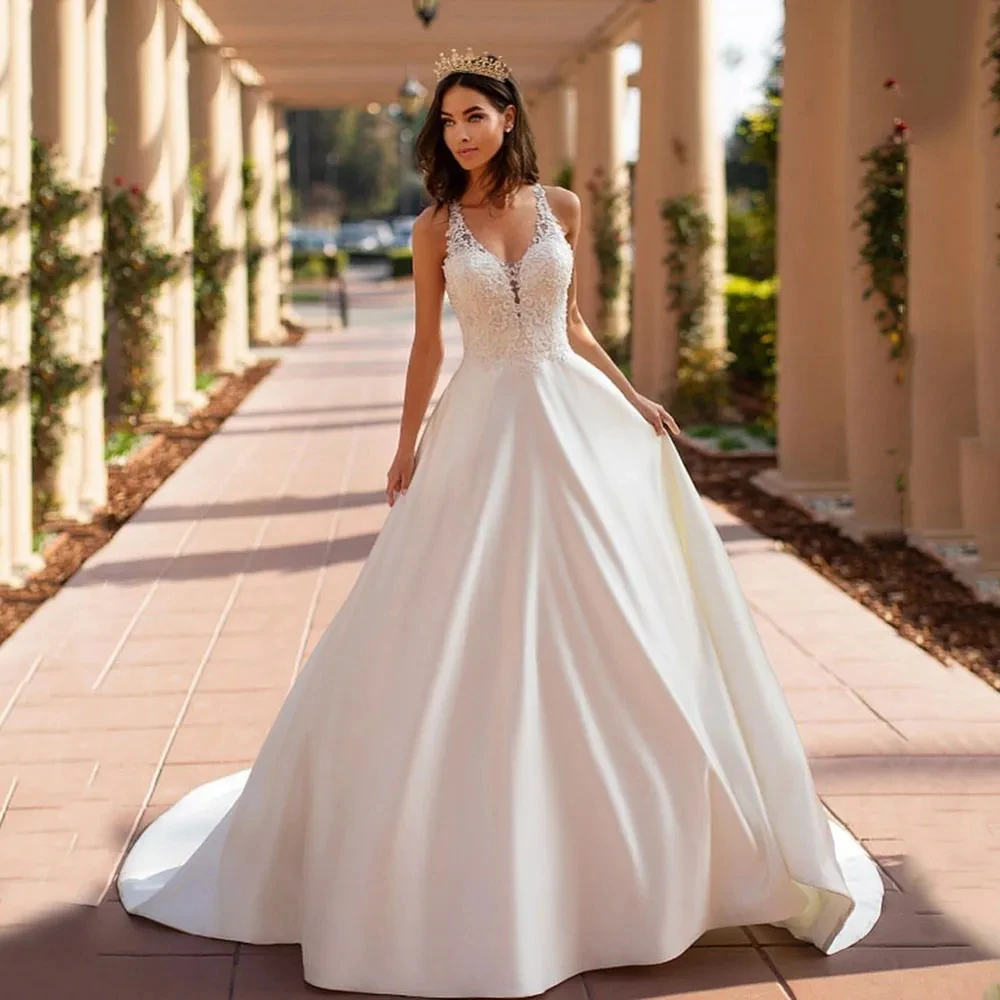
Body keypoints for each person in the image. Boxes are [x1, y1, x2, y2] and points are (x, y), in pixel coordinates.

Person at [118, 48, 883, 998]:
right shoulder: (437, 226)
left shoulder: (560, 207)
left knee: (608, 603)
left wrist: (633, 395)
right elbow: (429, 343)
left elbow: (572, 324)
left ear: (508, 118)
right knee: (464, 609)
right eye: (447, 122)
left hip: (569, 415)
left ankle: (640, 845)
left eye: (474, 115)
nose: (460, 133)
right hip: (482, 423)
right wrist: (404, 447)